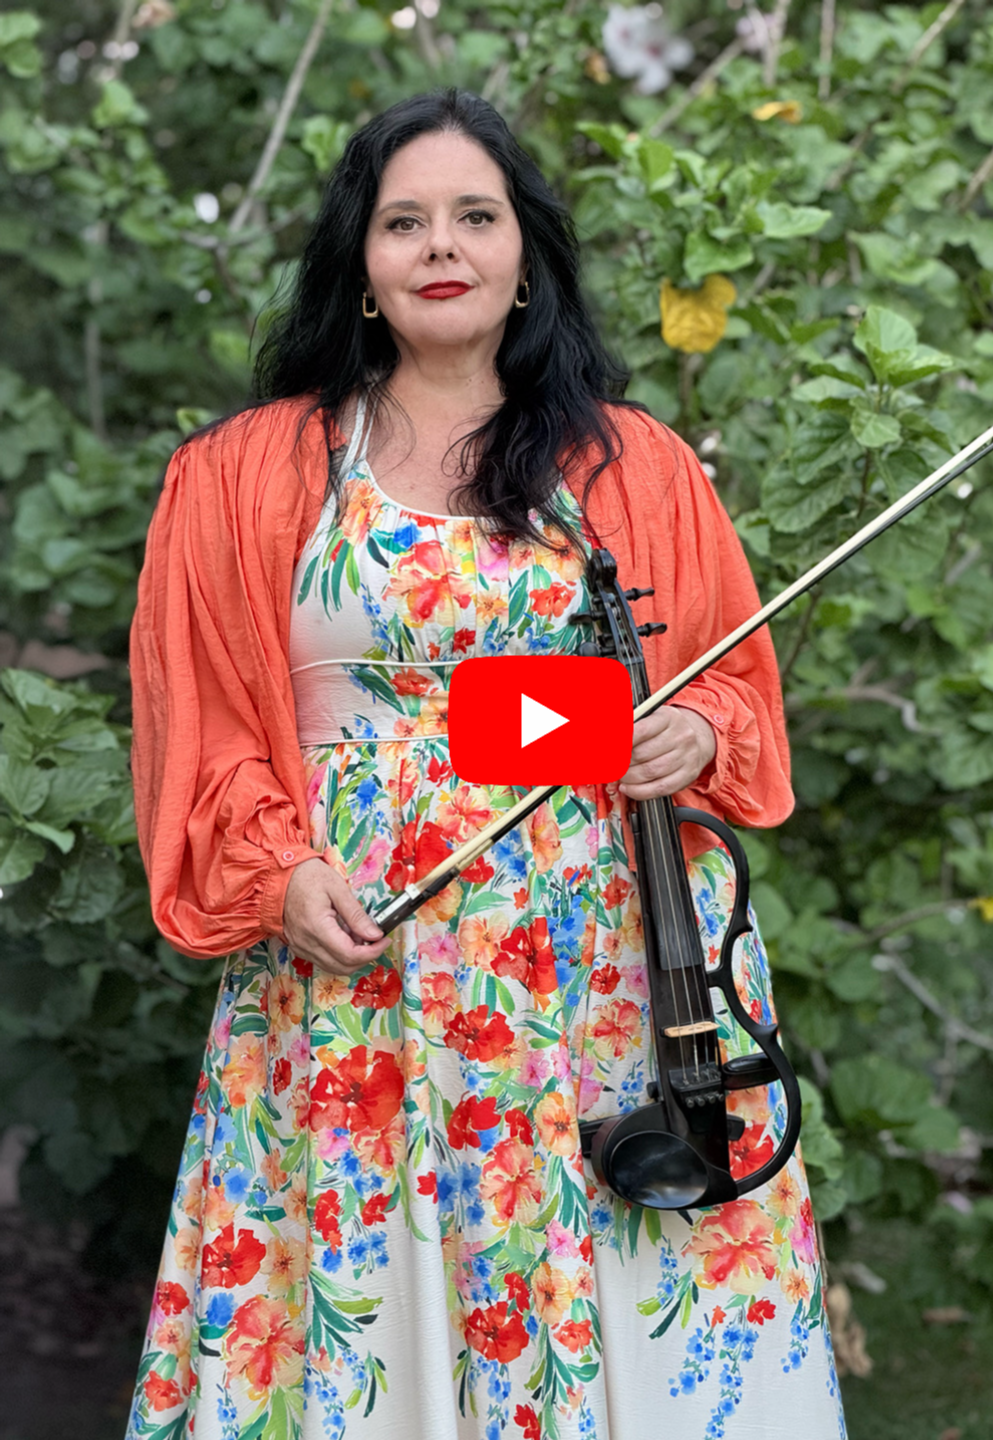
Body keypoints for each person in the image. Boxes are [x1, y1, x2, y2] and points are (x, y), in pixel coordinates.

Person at [125, 87, 845, 1440]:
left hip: (607, 978)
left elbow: (727, 699)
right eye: (405, 222)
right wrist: (278, 878)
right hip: (359, 964)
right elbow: (201, 731)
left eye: (475, 215)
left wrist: (688, 732)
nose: (441, 244)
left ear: (525, 257)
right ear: (364, 267)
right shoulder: (238, 476)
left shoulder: (632, 465)